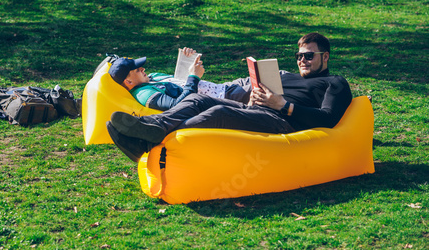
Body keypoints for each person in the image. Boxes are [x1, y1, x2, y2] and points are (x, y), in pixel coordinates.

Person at [107, 33, 353, 162]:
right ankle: (152, 128)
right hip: (257, 110)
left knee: (218, 113)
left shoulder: (335, 82)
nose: (302, 61)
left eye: (309, 56)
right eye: (299, 56)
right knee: (197, 101)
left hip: (283, 123)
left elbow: (328, 118)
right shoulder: (287, 76)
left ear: (326, 57)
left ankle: (153, 146)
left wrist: (284, 106)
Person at [108, 47, 252, 111]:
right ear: (129, 82)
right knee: (266, 80)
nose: (143, 69)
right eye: (137, 70)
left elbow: (180, 83)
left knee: (265, 73)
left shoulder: (154, 76)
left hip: (224, 87)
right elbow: (178, 106)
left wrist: (186, 61)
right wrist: (194, 77)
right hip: (224, 98)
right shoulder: (144, 94)